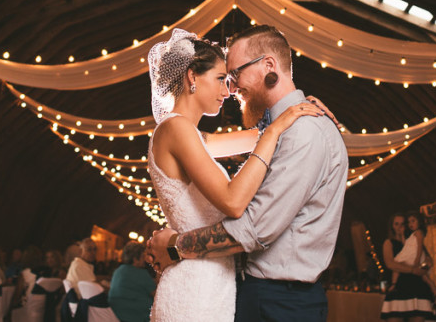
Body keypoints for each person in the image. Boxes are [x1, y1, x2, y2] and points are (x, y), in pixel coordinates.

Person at [145, 25, 348, 322]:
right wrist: (280, 124)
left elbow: (254, 138)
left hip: (246, 292)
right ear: (192, 77)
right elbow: (234, 200)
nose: (230, 90)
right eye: (222, 78)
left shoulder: (201, 138)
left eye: (233, 75)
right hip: (203, 287)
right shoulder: (177, 130)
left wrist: (292, 112)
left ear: (269, 66)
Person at [380, 212, 436, 320]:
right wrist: (412, 270)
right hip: (399, 286)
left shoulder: (413, 240)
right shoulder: (389, 242)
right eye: (396, 224)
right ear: (392, 226)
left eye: (402, 224)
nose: (399, 227)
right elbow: (390, 264)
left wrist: (422, 269)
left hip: (417, 286)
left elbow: (428, 260)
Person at [107, 241, 155, 322]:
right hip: (137, 316)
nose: (145, 260)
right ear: (135, 259)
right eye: (143, 256)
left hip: (117, 314)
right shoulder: (140, 273)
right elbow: (156, 294)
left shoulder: (118, 271)